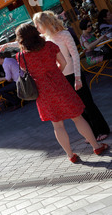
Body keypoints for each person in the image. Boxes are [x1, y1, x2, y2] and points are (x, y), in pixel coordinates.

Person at [14, 23, 108, 163]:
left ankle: (70, 155)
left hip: (43, 92)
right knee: (78, 117)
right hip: (60, 85)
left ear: (21, 39)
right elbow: (62, 63)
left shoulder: (21, 56)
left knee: (57, 125)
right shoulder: (50, 46)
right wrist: (56, 72)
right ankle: (96, 146)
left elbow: (27, 72)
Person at [33, 11, 110, 142]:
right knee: (77, 107)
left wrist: (78, 78)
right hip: (61, 77)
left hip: (74, 74)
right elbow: (26, 43)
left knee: (87, 104)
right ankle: (90, 133)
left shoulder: (64, 34)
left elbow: (75, 56)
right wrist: (8, 45)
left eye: (37, 25)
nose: (36, 28)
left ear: (44, 24)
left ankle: (101, 130)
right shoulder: (44, 38)